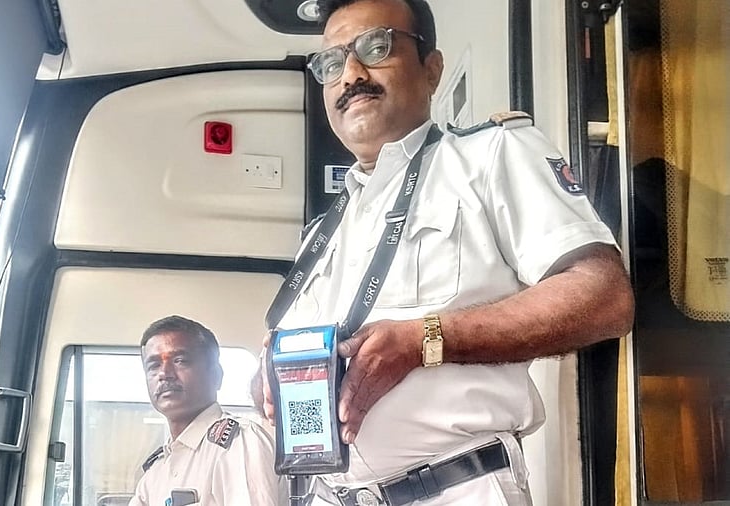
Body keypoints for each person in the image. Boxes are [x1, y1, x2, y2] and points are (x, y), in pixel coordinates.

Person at [261, 0, 635, 504]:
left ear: (432, 69)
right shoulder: (320, 236)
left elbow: (603, 296)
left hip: (455, 489)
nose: (350, 74)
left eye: (376, 47)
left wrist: (425, 341)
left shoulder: (489, 157)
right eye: (331, 64)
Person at [130, 315, 283, 506]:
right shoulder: (155, 471)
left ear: (216, 376)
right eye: (153, 365)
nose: (164, 374)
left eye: (180, 361)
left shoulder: (238, 444)